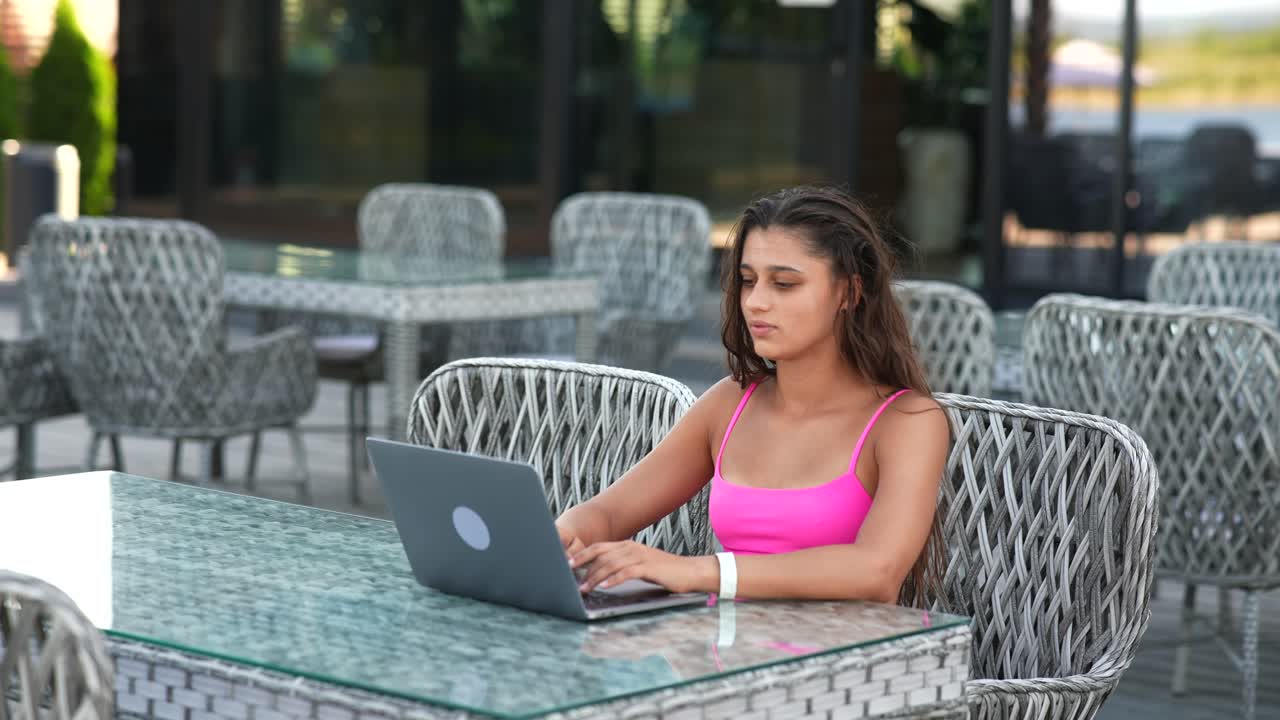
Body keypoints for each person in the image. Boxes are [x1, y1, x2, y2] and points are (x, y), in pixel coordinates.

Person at [557, 186, 948, 605]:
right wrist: (564, 535)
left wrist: (696, 571)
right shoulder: (729, 403)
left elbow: (877, 571)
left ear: (849, 293)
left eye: (784, 284)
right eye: (748, 281)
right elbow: (610, 512)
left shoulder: (907, 422)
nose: (756, 302)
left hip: (847, 646)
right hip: (720, 640)